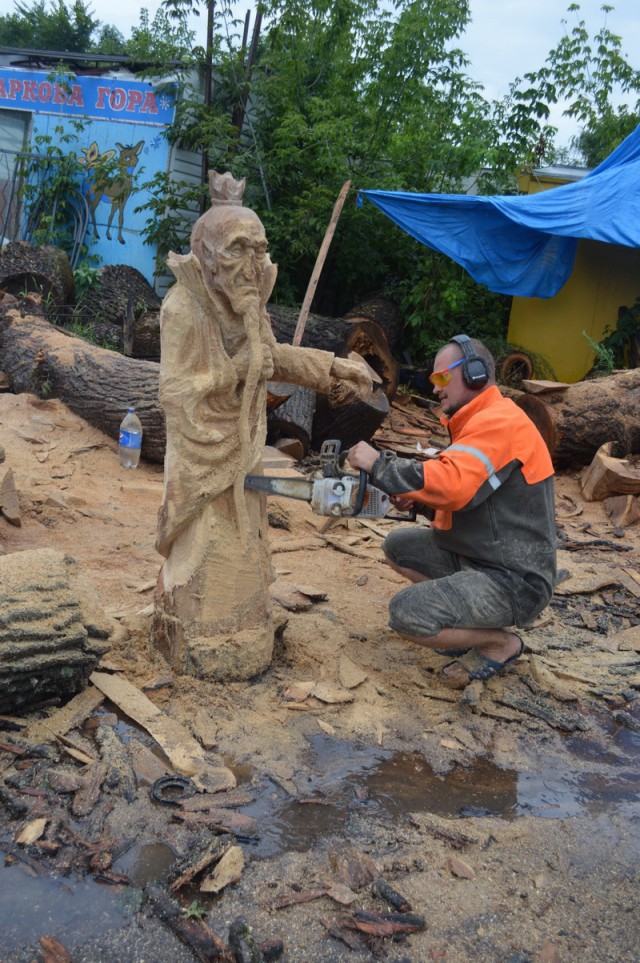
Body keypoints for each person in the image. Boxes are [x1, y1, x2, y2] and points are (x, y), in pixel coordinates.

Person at [153, 171, 371, 680]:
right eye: (237, 250)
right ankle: (200, 621)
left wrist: (333, 368)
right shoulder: (183, 308)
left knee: (246, 534)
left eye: (260, 250)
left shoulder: (251, 307)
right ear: (205, 257)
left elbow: (271, 358)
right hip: (201, 443)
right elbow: (175, 391)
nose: (254, 266)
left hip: (244, 440)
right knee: (205, 540)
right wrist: (235, 371)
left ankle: (245, 611)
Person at [348, 334, 556, 687]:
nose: (435, 389)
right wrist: (423, 501)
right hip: (481, 557)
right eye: (433, 380)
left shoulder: (499, 422)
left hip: (514, 579)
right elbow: (472, 499)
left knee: (408, 614)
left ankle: (499, 641)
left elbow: (455, 483)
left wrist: (379, 464)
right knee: (398, 548)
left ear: (475, 373)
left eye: (442, 378)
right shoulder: (477, 422)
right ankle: (477, 626)